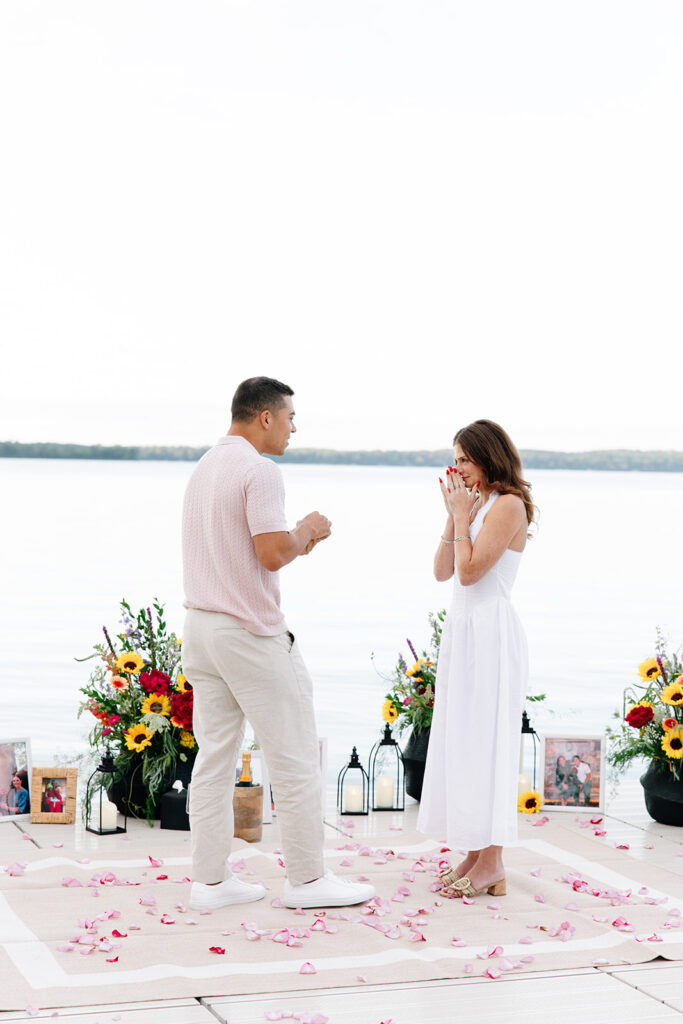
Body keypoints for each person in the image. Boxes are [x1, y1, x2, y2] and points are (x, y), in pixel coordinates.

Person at [182, 376, 375, 912]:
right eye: (290, 417)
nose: (294, 428)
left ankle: (209, 883)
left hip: (201, 628)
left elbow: (245, 552)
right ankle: (308, 881)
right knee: (294, 757)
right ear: (265, 417)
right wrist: (306, 530)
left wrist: (294, 543)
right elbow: (270, 553)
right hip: (248, 634)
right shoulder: (260, 470)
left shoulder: (204, 468)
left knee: (213, 760)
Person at [417, 419, 536, 898]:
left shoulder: (507, 505)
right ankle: (474, 851)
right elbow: (441, 571)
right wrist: (455, 515)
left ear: (488, 457)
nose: (458, 467)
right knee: (464, 742)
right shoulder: (474, 504)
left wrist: (463, 516)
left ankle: (493, 861)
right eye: (455, 459)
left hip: (491, 634)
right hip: (464, 632)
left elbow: (469, 574)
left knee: (488, 744)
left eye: (465, 459)